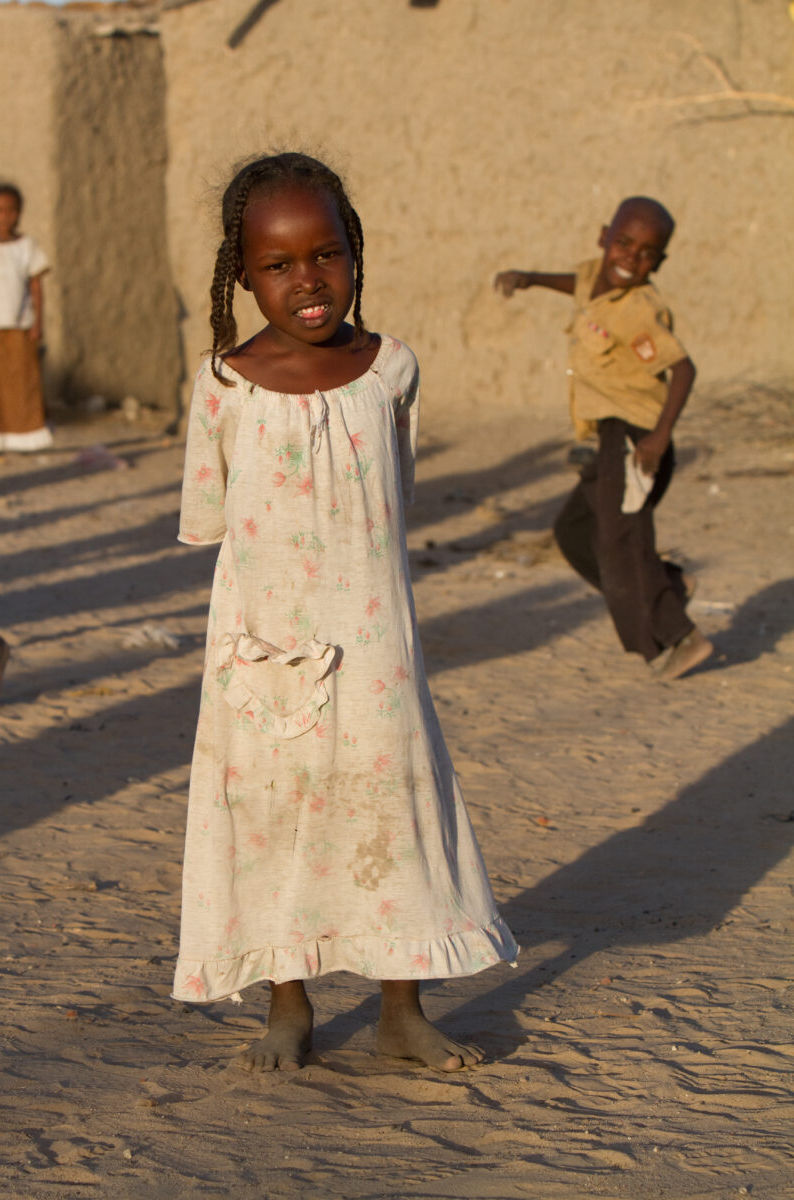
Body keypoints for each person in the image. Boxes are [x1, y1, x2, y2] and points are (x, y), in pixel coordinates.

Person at [173, 153, 517, 1072]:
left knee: (387, 809)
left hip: (373, 648)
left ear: (354, 253)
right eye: (278, 265)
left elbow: (391, 500)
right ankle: (287, 1006)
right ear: (243, 276)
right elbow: (210, 517)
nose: (307, 280)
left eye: (325, 254)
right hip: (261, 649)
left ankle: (402, 1009)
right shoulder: (224, 385)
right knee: (273, 817)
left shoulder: (389, 370)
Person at [494, 196, 712, 682]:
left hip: (636, 437)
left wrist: (658, 439)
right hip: (606, 438)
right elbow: (577, 285)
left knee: (623, 544)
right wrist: (529, 278)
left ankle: (678, 639)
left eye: (646, 253)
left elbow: (683, 370)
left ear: (659, 262)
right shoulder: (594, 275)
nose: (631, 258)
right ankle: (668, 586)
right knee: (575, 534)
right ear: (604, 237)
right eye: (624, 243)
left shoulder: (641, 310)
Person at [0, 182, 52, 453]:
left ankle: (25, 438)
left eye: (11, 210)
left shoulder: (27, 246)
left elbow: (36, 287)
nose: (5, 216)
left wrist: (38, 323)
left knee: (21, 384)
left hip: (19, 325)